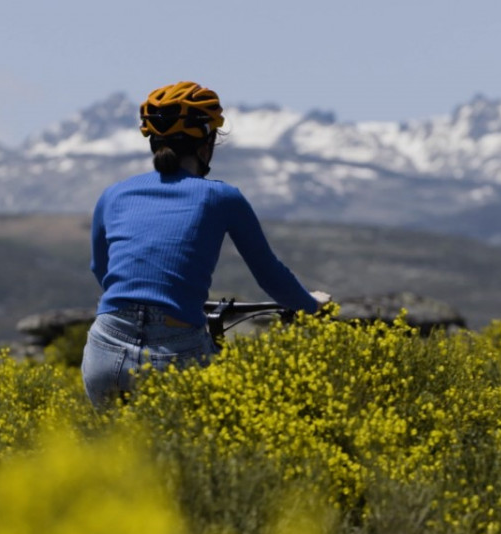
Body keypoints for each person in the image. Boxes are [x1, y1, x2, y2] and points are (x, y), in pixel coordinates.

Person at [82, 81, 329, 406]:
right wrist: (312, 305)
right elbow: (269, 274)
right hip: (174, 351)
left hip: (104, 348)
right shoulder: (221, 197)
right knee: (225, 426)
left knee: (113, 452)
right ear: (206, 143)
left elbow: (102, 269)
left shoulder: (113, 194)